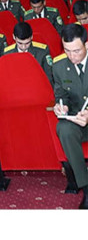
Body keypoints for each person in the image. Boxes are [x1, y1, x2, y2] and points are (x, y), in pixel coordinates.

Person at [52, 24, 88, 208]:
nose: (72, 56)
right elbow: (60, 94)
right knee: (63, 129)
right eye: (67, 51)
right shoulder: (59, 65)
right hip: (77, 120)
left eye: (76, 51)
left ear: (86, 45)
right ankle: (86, 187)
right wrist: (61, 106)